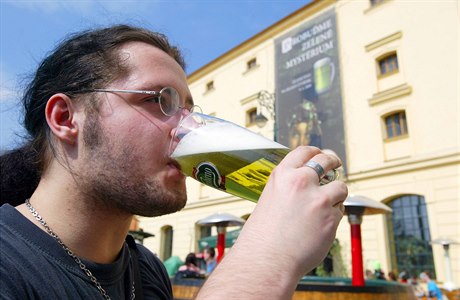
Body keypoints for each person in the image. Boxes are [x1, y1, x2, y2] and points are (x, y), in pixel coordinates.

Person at [0, 24, 347, 299]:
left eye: (189, 111)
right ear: (64, 118)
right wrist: (268, 258)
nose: (187, 129)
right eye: (159, 101)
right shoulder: (8, 263)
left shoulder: (146, 269)